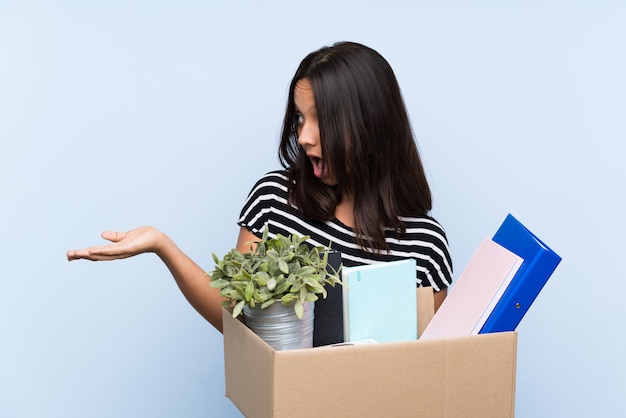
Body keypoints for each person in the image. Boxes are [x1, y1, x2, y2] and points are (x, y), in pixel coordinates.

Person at [66, 41, 453, 333]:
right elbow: (234, 316)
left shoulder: (424, 244)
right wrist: (161, 245)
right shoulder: (276, 201)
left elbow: (427, 371)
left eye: (320, 120)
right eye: (300, 118)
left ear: (370, 126)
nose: (304, 136)